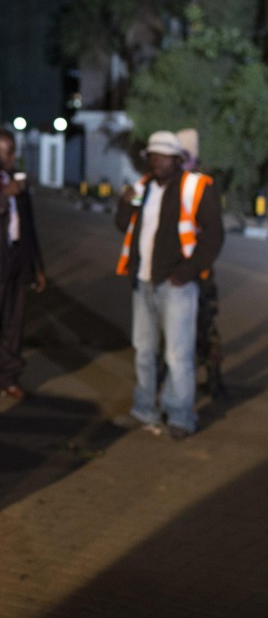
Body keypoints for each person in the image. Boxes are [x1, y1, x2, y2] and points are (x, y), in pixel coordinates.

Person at [113, 130, 224, 440]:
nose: (156, 160)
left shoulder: (196, 187)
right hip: (143, 281)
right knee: (144, 351)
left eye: (163, 155)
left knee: (177, 353)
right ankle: (144, 409)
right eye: (152, 155)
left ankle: (180, 415)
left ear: (178, 160)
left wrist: (186, 272)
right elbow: (124, 225)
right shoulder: (143, 187)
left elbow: (214, 235)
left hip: (176, 283)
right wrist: (124, 203)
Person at [0, 128, 45, 400]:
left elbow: (30, 226)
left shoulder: (16, 182)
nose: (13, 157)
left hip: (17, 259)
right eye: (8, 151)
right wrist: (3, 196)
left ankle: (8, 377)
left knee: (14, 324)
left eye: (14, 151)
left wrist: (37, 267)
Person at [176, 128, 226, 399]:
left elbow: (212, 232)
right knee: (197, 327)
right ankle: (207, 379)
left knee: (203, 326)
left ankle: (213, 379)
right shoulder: (184, 182)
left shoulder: (199, 184)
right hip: (182, 266)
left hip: (198, 269)